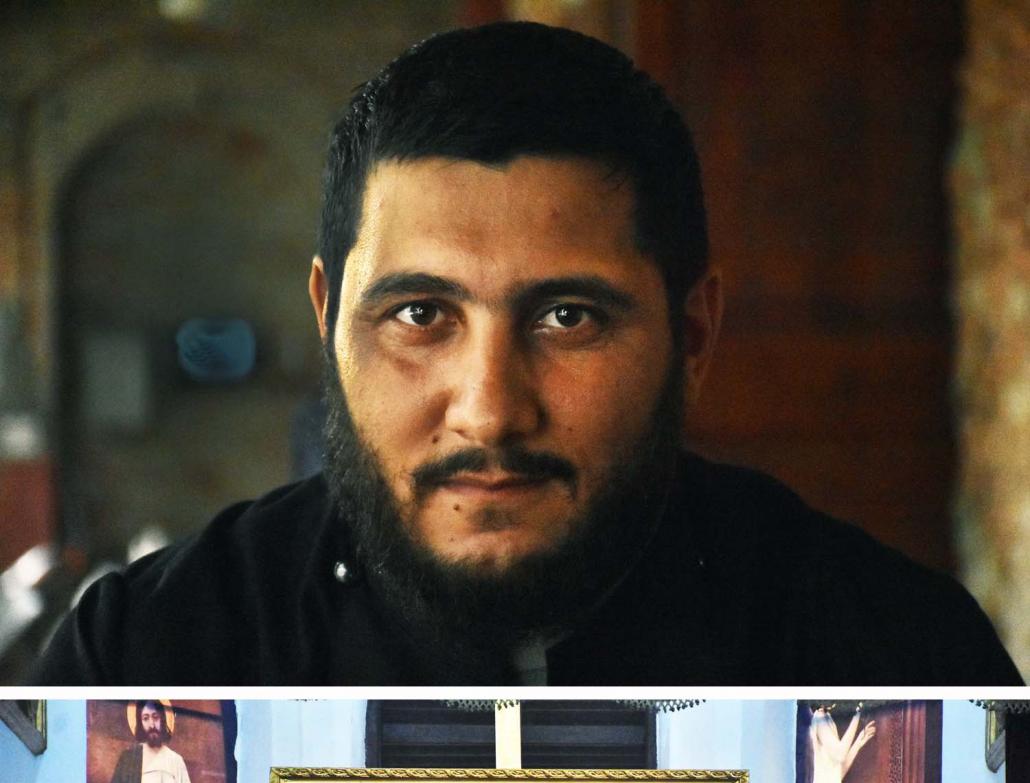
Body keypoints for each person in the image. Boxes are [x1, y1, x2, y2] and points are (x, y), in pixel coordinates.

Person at [29, 22, 1021, 687]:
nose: (490, 410)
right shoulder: (144, 660)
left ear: (694, 334)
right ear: (331, 319)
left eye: (568, 320)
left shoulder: (893, 659)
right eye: (420, 316)